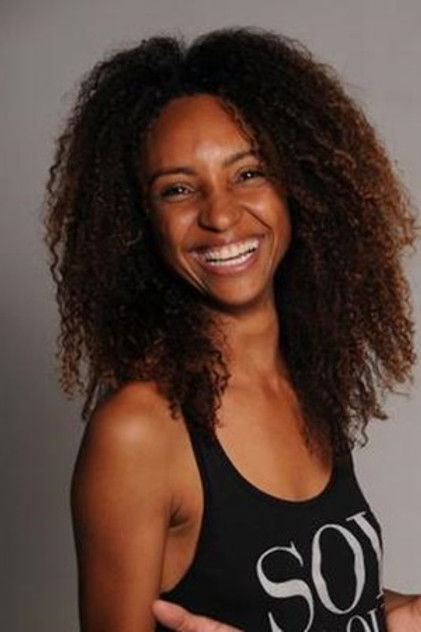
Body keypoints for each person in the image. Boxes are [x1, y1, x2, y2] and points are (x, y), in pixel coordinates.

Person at [44, 27, 420, 631]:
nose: (219, 215)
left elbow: (330, 612)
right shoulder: (139, 431)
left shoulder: (303, 383)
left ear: (300, 188)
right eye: (178, 189)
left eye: (248, 174)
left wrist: (402, 614)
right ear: (139, 221)